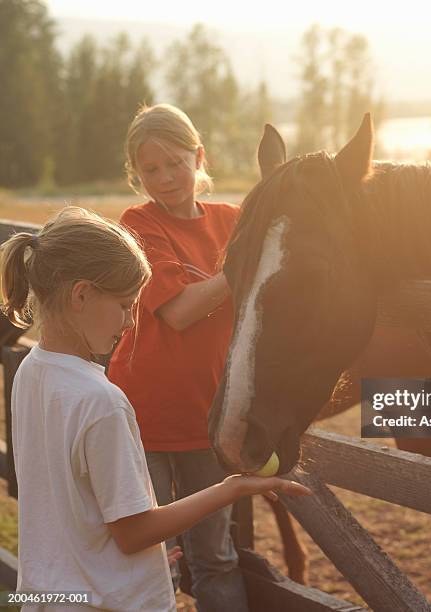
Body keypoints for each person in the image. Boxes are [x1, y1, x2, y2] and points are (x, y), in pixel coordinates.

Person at [1, 207, 310, 612]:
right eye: (126, 305)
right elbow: (134, 533)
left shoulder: (32, 371)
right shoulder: (102, 401)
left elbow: (72, 507)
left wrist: (121, 568)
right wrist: (230, 488)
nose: (131, 321)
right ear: (81, 295)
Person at [106, 103, 249, 611]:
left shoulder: (233, 221)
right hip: (143, 416)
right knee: (150, 559)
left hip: (208, 418)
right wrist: (243, 264)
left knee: (216, 556)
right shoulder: (137, 224)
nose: (165, 179)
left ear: (199, 157)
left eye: (175, 164)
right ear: (136, 174)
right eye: (150, 169)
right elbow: (181, 312)